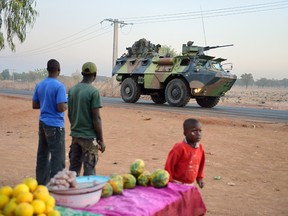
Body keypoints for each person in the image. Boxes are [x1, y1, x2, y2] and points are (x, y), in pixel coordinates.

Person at [32, 59, 67, 185]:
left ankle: (41, 184)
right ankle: (56, 187)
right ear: (58, 70)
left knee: (42, 155)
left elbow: (35, 105)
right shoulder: (59, 86)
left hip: (43, 123)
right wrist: (66, 105)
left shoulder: (40, 85)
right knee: (57, 158)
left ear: (47, 70)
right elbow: (60, 107)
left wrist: (46, 103)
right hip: (55, 126)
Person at [68, 61, 105, 176]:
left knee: (73, 170)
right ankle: (88, 193)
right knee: (89, 170)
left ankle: (71, 192)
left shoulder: (72, 90)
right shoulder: (93, 92)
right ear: (95, 75)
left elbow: (70, 114)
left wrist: (76, 128)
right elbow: (96, 119)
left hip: (75, 135)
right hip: (89, 138)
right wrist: (101, 140)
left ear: (82, 74)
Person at [164, 118, 205, 188]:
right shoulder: (179, 148)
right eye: (194, 131)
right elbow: (169, 165)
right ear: (185, 133)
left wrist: (199, 178)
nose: (198, 134)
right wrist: (168, 182)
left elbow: (201, 163)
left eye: (200, 131)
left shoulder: (200, 148)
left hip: (190, 185)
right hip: (176, 183)